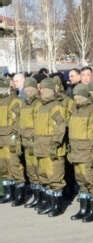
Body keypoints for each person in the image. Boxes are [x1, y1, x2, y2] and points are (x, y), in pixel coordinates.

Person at [67, 83, 93, 222]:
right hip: (76, 152)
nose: (76, 97)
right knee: (81, 182)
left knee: (92, 181)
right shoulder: (74, 109)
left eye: (79, 95)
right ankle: (83, 208)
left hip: (87, 153)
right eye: (74, 95)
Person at [33, 78, 67, 217]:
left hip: (52, 150)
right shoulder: (40, 106)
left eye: (47, 89)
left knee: (55, 178)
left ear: (53, 91)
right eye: (42, 89)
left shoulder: (56, 106)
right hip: (40, 148)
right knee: (44, 177)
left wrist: (55, 143)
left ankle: (57, 205)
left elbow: (60, 126)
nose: (44, 92)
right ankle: (48, 202)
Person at [0, 77, 24, 204]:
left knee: (15, 166)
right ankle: (8, 193)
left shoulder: (15, 101)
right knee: (3, 167)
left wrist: (15, 137)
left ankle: (20, 194)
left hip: (10, 139)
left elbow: (18, 122)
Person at [19, 77, 42, 208]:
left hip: (36, 143)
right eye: (26, 88)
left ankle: (42, 198)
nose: (28, 91)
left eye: (30, 88)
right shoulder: (24, 104)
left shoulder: (39, 104)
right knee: (31, 171)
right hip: (26, 143)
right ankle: (36, 196)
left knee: (39, 171)